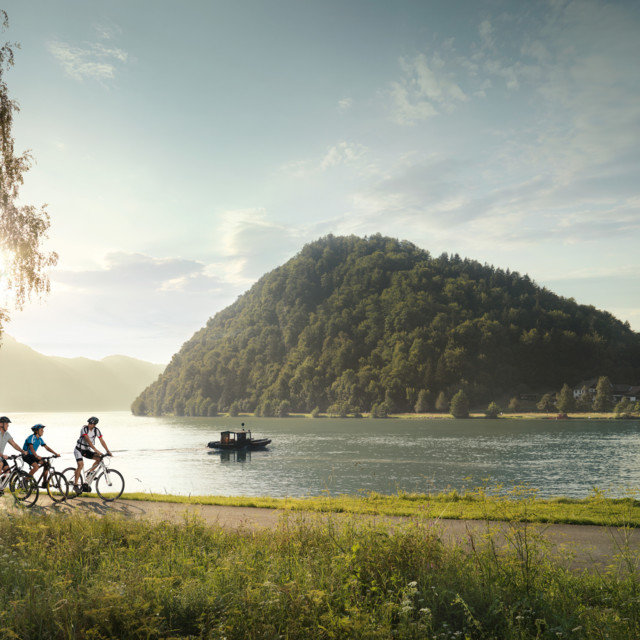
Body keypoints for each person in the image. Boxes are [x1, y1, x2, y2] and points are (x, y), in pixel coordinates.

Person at [73, 416, 112, 493]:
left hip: (86, 450)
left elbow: (101, 440)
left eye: (92, 424)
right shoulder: (84, 429)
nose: (90, 425)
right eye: (89, 423)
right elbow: (88, 441)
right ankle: (75, 485)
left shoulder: (96, 430)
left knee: (99, 458)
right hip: (79, 450)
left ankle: (89, 474)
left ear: (95, 425)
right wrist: (96, 450)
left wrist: (107, 451)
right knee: (80, 465)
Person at [0, 417, 27, 494]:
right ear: (1, 424)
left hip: (1, 457)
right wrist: (2, 455)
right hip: (1, 457)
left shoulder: (6, 434)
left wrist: (22, 451)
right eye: (6, 424)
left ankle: (1, 488)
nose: (8, 425)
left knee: (8, 472)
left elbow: (14, 444)